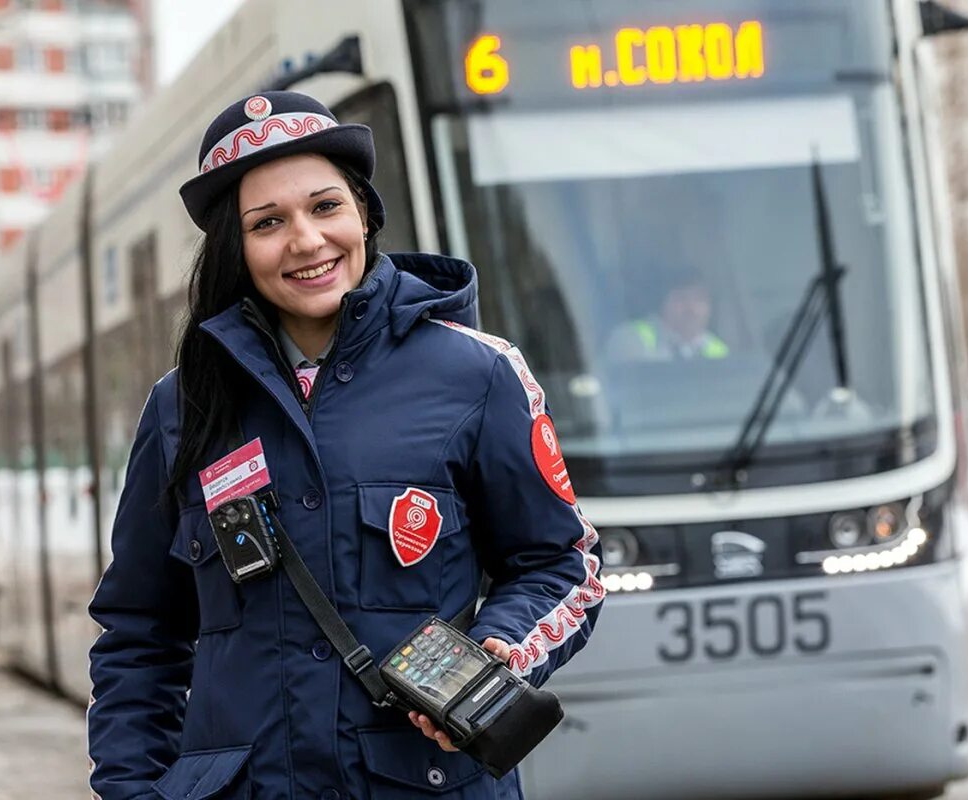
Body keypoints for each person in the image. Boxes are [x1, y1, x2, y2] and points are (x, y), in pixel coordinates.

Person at [86, 90, 604, 800]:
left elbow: (562, 567)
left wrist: (499, 652)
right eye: (268, 222)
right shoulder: (183, 407)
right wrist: (131, 791)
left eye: (325, 207)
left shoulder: (478, 374)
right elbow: (140, 634)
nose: (305, 240)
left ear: (363, 213)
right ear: (237, 250)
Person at [606, 268, 729, 362]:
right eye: (681, 298)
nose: (692, 308)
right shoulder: (630, 340)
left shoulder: (720, 352)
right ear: (662, 303)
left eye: (699, 299)